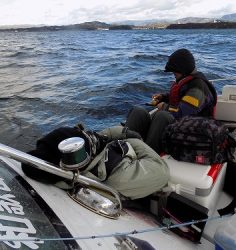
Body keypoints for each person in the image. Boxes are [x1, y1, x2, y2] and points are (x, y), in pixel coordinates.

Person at [21, 124, 170, 200]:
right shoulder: (118, 177)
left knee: (139, 112)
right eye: (90, 140)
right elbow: (162, 169)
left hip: (112, 150)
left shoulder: (80, 157)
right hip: (132, 159)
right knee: (162, 118)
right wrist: (132, 140)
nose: (93, 137)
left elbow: (99, 137)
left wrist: (120, 132)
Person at [125, 48, 217, 154]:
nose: (173, 74)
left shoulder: (198, 88)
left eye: (175, 72)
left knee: (162, 116)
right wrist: (164, 97)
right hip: (178, 126)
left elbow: (183, 112)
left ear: (183, 70)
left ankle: (147, 156)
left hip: (193, 131)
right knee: (138, 111)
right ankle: (123, 149)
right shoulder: (186, 81)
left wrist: (164, 106)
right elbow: (181, 97)